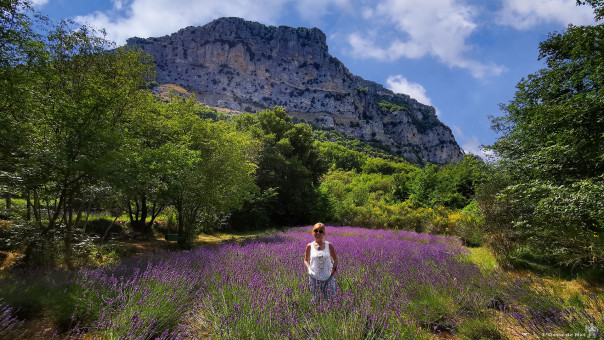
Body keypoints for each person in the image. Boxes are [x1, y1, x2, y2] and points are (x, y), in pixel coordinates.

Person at [304, 223, 338, 300]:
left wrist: (333, 270)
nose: (318, 233)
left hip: (328, 277)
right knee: (315, 300)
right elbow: (306, 260)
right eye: (316, 231)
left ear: (324, 233)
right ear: (313, 232)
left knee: (331, 300)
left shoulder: (329, 245)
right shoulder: (309, 246)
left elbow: (335, 259)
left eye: (320, 231)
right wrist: (309, 269)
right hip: (314, 277)